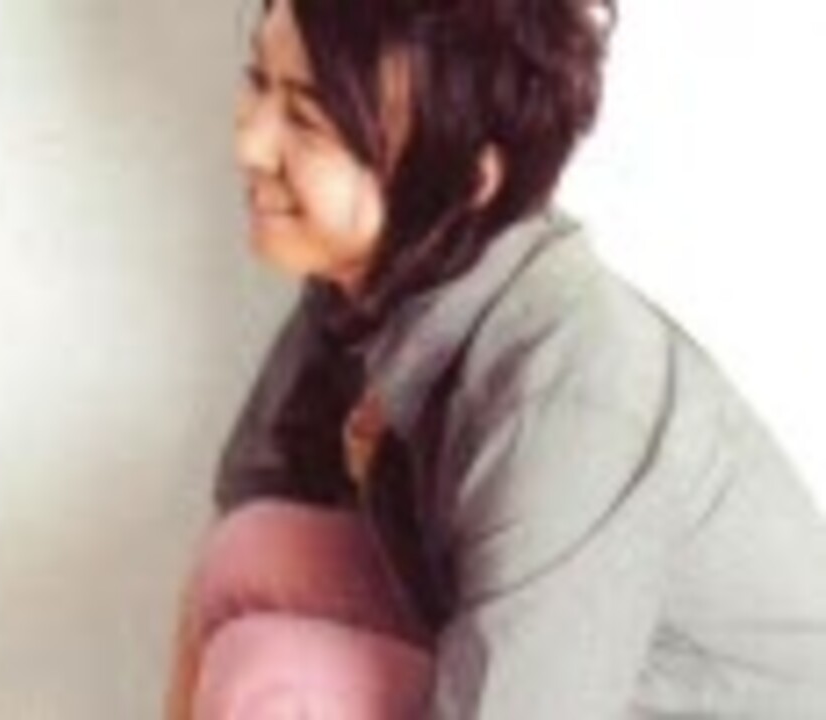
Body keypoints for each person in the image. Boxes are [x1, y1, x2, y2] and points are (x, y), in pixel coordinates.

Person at [166, 0, 826, 716]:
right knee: (248, 551)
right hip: (547, 664)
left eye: (308, 120)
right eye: (259, 82)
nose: (250, 144)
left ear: (465, 180)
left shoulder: (570, 399)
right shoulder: (382, 272)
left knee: (276, 680)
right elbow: (263, 485)